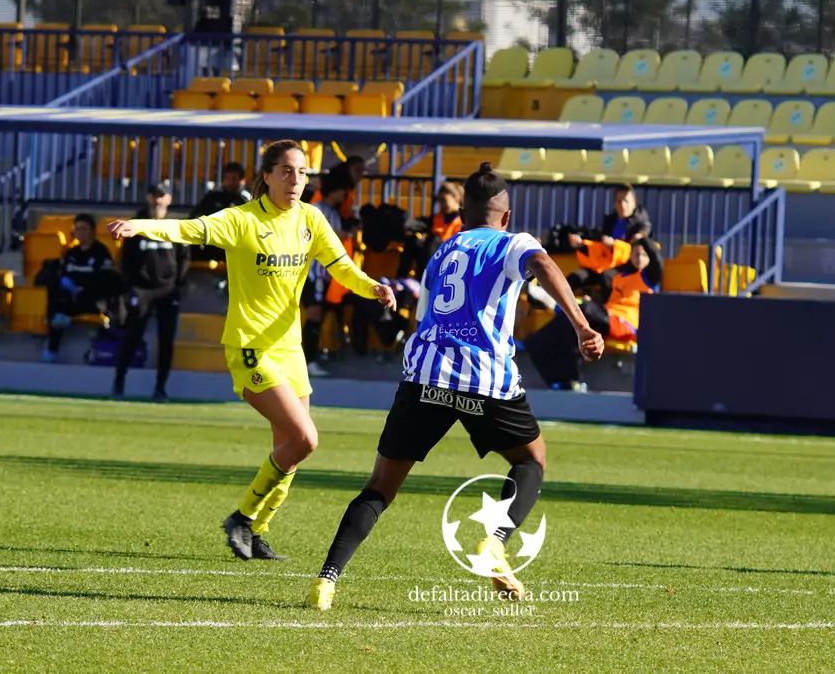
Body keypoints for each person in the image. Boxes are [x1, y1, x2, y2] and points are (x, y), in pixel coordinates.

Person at [303, 162, 604, 611]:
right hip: (484, 379)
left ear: (463, 213)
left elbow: (423, 317)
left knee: (381, 485)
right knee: (531, 460)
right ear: (506, 215)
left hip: (426, 375)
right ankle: (494, 543)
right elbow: (542, 262)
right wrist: (581, 325)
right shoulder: (513, 242)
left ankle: (326, 581)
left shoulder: (443, 252)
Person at [107, 141, 396, 562]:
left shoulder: (311, 219)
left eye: (302, 172)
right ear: (267, 175)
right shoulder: (242, 220)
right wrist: (141, 226)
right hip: (250, 347)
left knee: (290, 449)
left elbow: (342, 268)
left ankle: (258, 531)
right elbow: (191, 229)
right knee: (305, 439)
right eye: (286, 171)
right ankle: (241, 518)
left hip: (290, 349)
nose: (295, 180)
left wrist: (372, 287)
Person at [526, 236, 663, 391]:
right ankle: (566, 380)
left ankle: (556, 304)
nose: (639, 258)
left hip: (626, 325)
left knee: (582, 310)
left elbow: (657, 259)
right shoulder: (619, 277)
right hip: (607, 316)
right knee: (553, 333)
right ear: (630, 255)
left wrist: (643, 238)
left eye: (644, 255)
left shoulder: (649, 278)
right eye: (636, 254)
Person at [112, 184, 188, 402]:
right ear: (148, 197)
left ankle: (160, 388)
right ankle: (119, 382)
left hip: (167, 289)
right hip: (142, 289)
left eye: (162, 196)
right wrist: (131, 287)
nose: (157, 201)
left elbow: (184, 258)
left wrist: (178, 284)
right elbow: (126, 259)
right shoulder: (137, 225)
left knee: (166, 340)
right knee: (133, 336)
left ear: (169, 199)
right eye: (154, 195)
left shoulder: (176, 226)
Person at [40, 214, 117, 362]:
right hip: (71, 298)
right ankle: (52, 350)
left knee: (86, 296)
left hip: (92, 299)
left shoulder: (101, 252)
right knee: (57, 295)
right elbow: (64, 274)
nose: (80, 232)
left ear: (92, 232)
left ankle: (62, 319)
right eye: (77, 229)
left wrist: (82, 287)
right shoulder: (71, 253)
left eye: (84, 229)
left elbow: (105, 280)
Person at [302, 168, 357, 376]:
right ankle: (307, 361)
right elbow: (310, 235)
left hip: (325, 275)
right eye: (343, 190)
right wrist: (338, 234)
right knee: (314, 315)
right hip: (312, 272)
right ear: (335, 189)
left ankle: (309, 358)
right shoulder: (316, 210)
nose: (345, 195)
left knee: (320, 315)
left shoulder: (334, 213)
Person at [565, 184, 651, 300]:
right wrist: (581, 244)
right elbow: (599, 244)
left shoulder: (641, 224)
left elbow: (637, 251)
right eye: (619, 201)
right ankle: (555, 300)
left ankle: (599, 306)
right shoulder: (610, 220)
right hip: (603, 264)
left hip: (625, 267)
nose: (622, 205)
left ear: (634, 202)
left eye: (626, 201)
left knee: (607, 277)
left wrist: (614, 245)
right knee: (577, 276)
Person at [397, 181, 463, 278]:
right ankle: (401, 278)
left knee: (433, 239)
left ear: (455, 198)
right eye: (439, 200)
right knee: (413, 240)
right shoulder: (436, 218)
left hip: (451, 256)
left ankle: (422, 280)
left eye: (443, 200)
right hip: (431, 257)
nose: (441, 204)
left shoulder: (463, 220)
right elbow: (416, 224)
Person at [189, 162, 252, 264]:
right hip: (213, 249)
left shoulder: (247, 201)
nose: (230, 182)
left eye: (234, 179)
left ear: (242, 180)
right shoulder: (212, 198)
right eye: (227, 178)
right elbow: (196, 219)